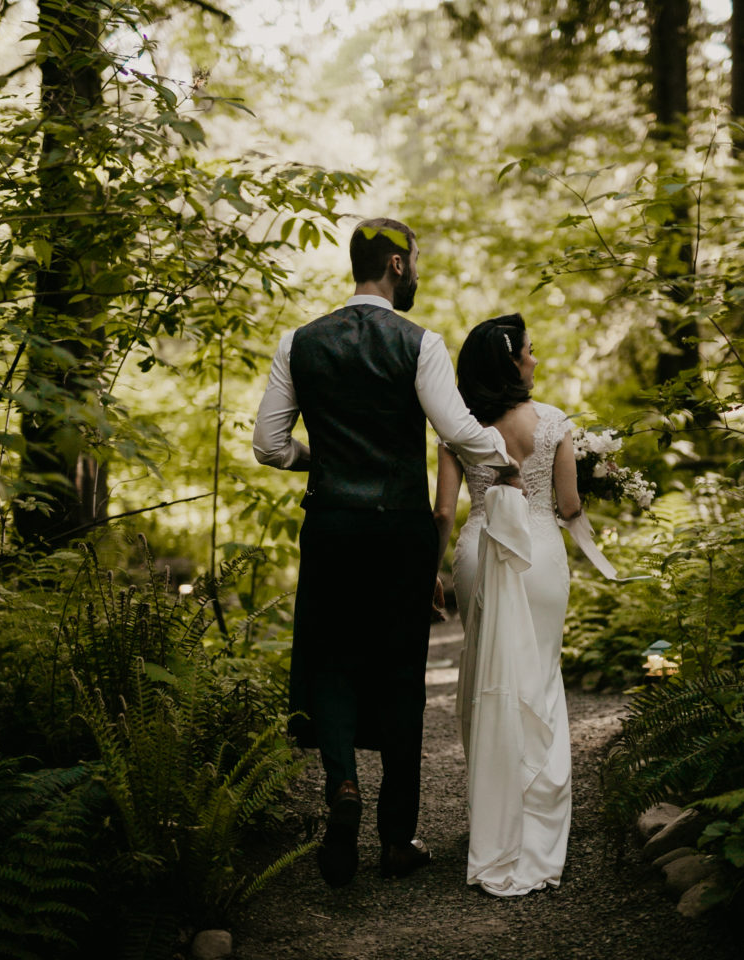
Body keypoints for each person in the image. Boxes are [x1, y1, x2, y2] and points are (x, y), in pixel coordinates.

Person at [252, 218, 520, 888]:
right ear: (397, 265)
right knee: (401, 670)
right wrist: (507, 460)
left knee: (333, 662)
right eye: (417, 261)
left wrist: (325, 460)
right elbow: (457, 428)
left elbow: (269, 445)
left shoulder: (299, 341)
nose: (418, 271)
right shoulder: (418, 343)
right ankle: (396, 838)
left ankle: (342, 786)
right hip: (399, 526)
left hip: (333, 524)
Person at [432, 313, 585, 896]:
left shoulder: (457, 428)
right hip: (541, 553)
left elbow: (444, 512)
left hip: (478, 552)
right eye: (530, 349)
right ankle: (538, 829)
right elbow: (567, 507)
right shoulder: (552, 422)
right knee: (539, 678)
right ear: (512, 362)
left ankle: (493, 823)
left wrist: (431, 575)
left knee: (488, 675)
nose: (536, 358)